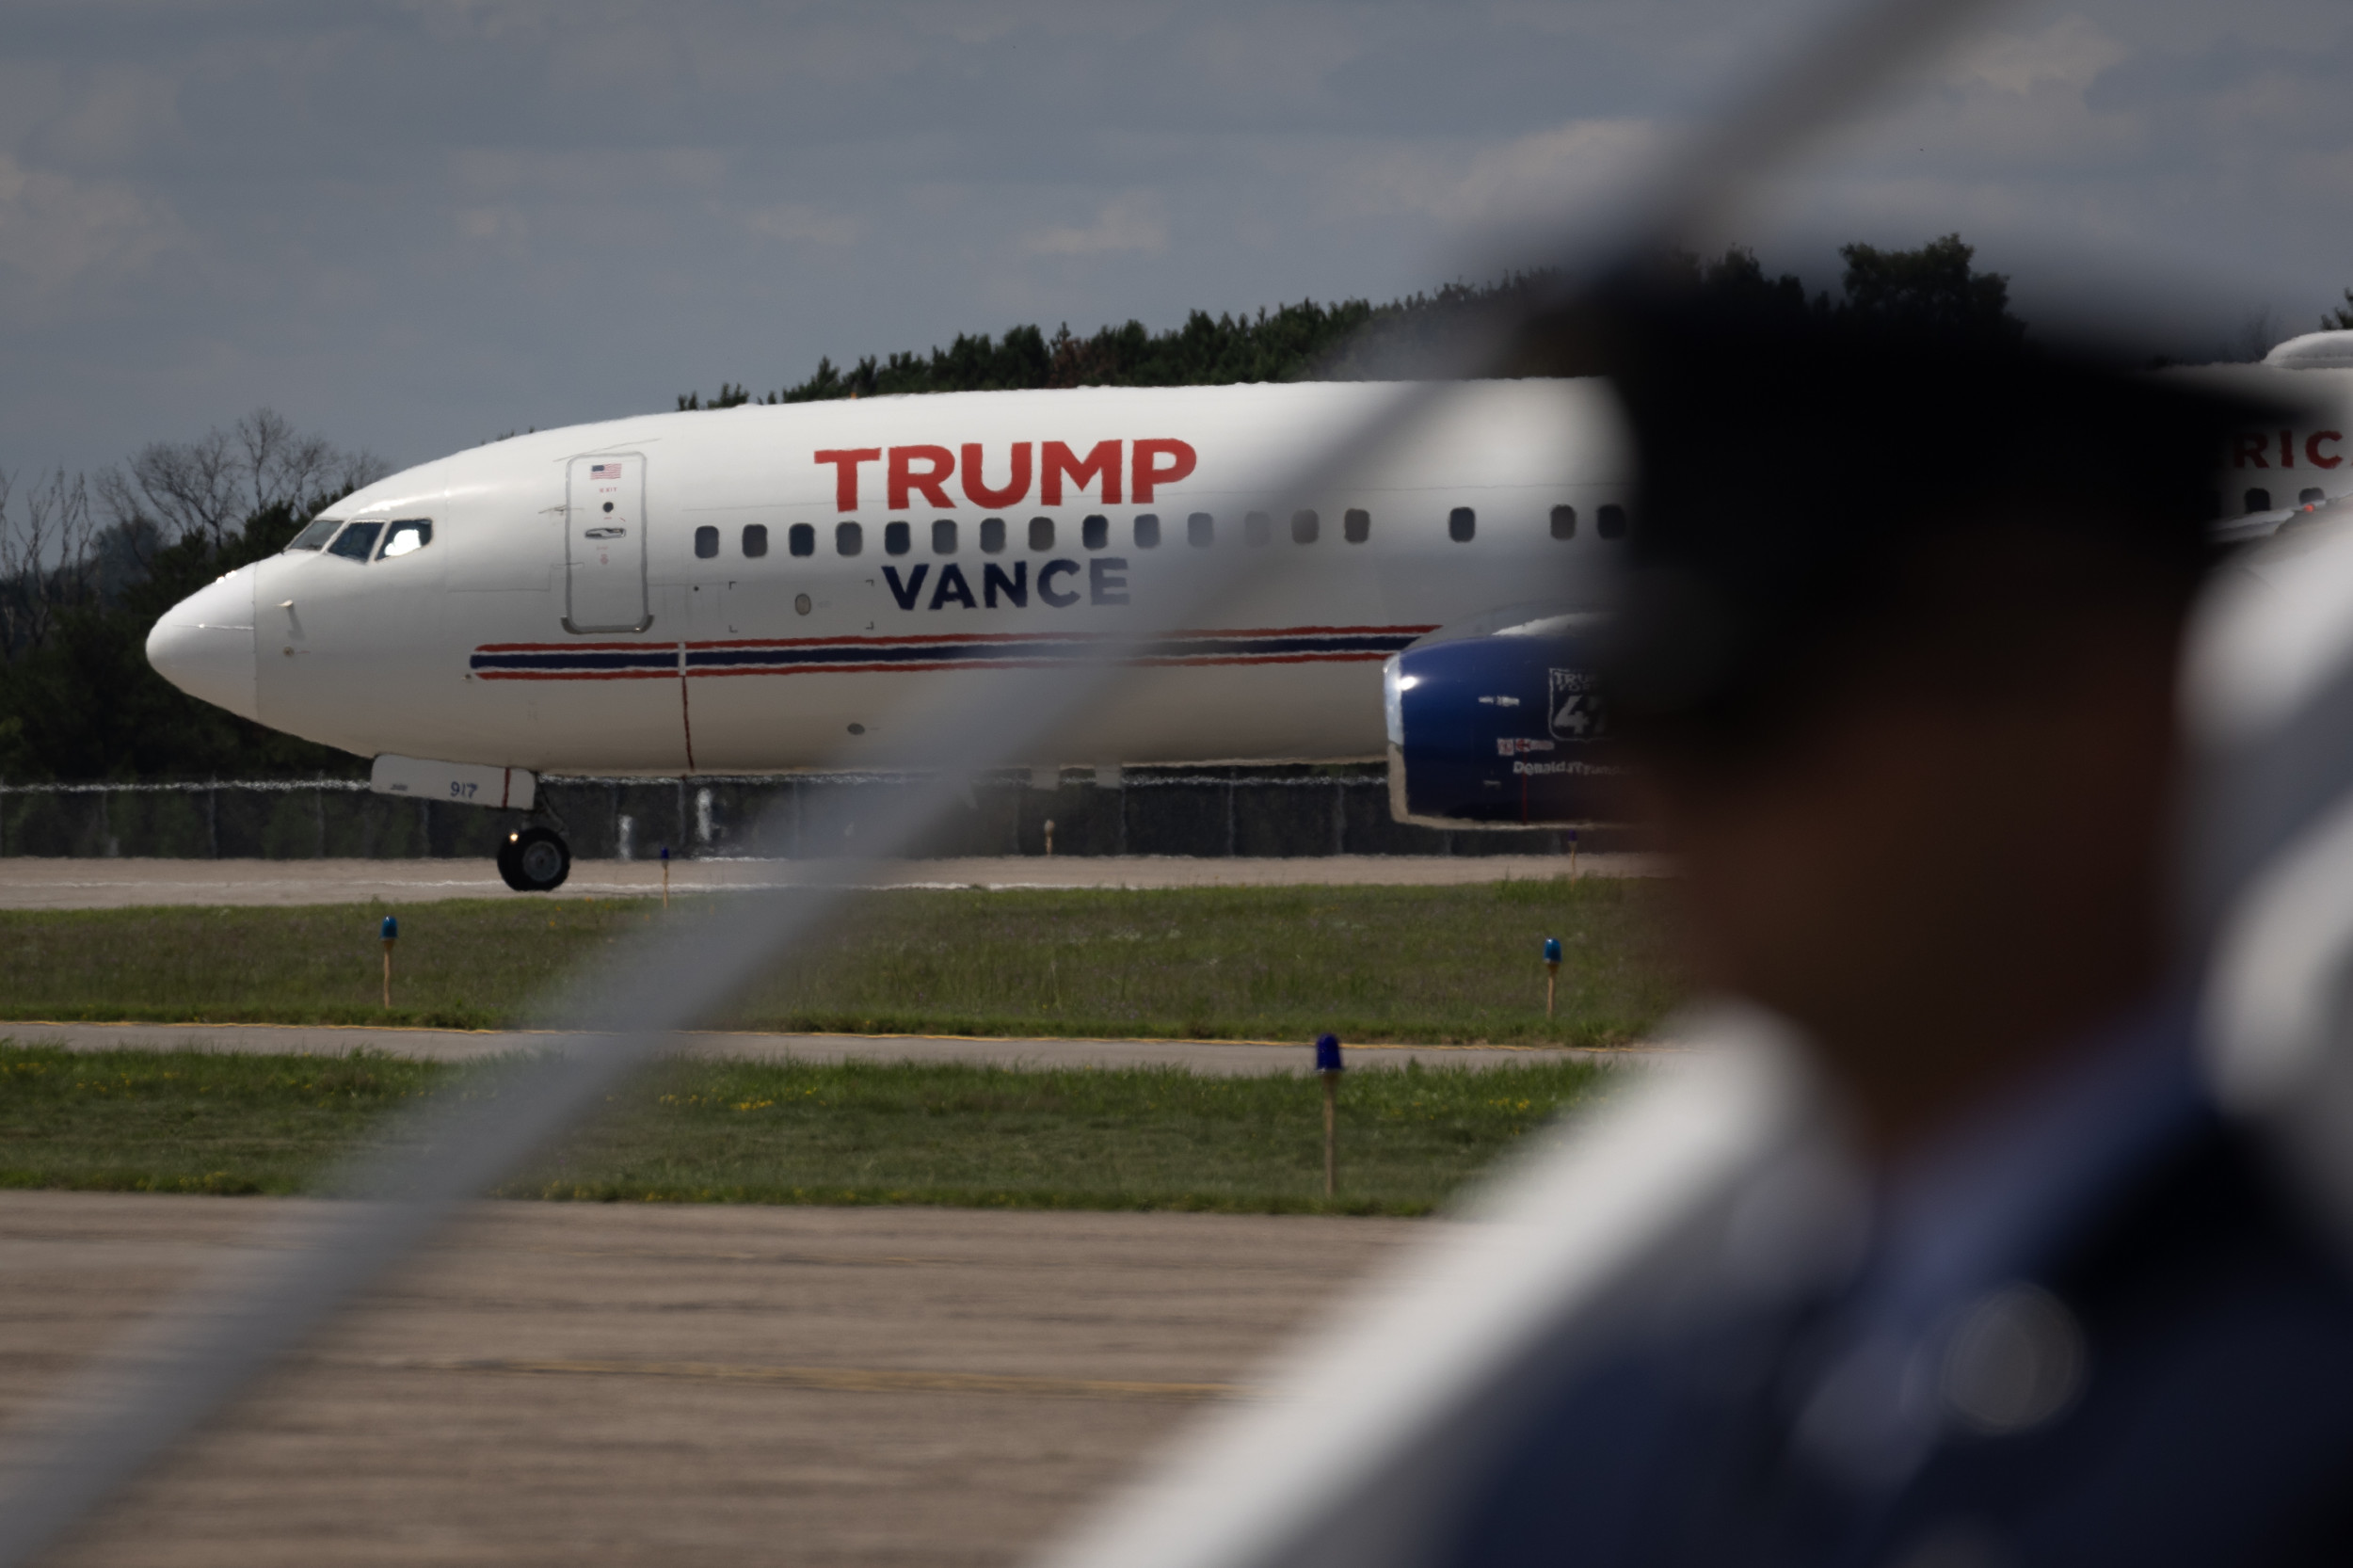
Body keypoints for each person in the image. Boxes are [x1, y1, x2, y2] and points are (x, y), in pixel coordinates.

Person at [1437, 299, 2353, 1565]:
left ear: (2108, 725)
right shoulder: (1598, 1455)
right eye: (1647, 709)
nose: (1651, 788)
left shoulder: (2292, 1462)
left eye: (1741, 702)